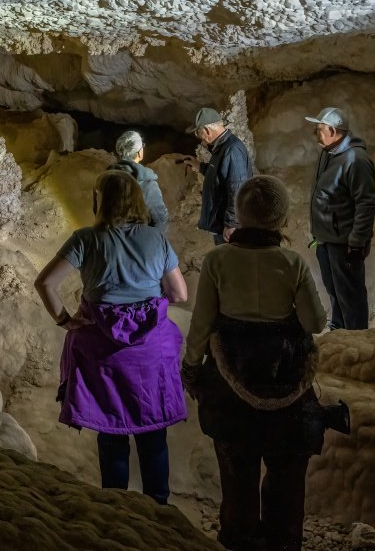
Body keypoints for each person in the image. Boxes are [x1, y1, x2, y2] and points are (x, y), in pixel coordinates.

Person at [181, 175, 329, 551]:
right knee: (287, 480)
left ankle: (240, 540)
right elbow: (315, 323)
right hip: (286, 382)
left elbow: (202, 323)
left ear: (241, 215)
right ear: (280, 219)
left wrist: (192, 366)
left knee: (238, 478)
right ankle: (283, 543)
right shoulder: (292, 262)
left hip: (231, 388)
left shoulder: (218, 260)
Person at [33, 169, 188, 505]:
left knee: (112, 431)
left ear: (100, 201)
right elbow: (179, 294)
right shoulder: (156, 239)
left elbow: (45, 283)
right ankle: (158, 510)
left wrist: (65, 320)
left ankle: (115, 507)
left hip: (104, 354)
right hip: (148, 356)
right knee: (152, 433)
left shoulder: (86, 239)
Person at [305, 107, 375, 330]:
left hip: (344, 243)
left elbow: (366, 204)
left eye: (319, 130)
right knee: (335, 291)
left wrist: (357, 241)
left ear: (333, 130)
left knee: (350, 295)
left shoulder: (356, 160)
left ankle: (357, 340)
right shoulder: (329, 153)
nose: (315, 134)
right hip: (327, 240)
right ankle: (339, 331)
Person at [184, 106, 254, 245]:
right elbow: (221, 174)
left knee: (230, 263)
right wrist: (200, 167)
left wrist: (232, 224)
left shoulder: (232, 149)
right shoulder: (222, 147)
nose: (199, 138)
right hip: (220, 223)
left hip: (228, 228)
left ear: (207, 131)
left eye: (198, 134)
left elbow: (237, 189)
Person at [109, 129, 169, 231]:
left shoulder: (107, 179)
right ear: (139, 153)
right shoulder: (148, 184)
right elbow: (160, 220)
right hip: (138, 240)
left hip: (112, 239)